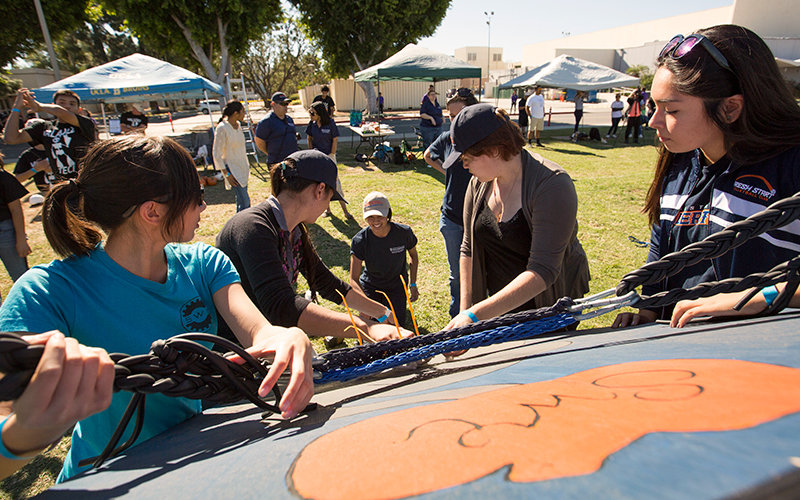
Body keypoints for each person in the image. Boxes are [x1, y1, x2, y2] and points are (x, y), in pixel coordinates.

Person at [0, 135, 313, 482]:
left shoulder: (205, 265)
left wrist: (288, 336)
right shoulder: (47, 291)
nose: (204, 208)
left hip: (197, 466)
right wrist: (26, 433)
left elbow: (259, 332)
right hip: (102, 478)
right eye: (197, 197)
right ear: (152, 211)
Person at [611, 25, 800, 329]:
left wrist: (755, 297)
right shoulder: (680, 161)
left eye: (671, 110)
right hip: (682, 352)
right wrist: (647, 307)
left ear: (730, 108)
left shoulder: (790, 165)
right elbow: (662, 248)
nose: (653, 121)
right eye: (653, 106)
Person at [216, 149, 411, 346]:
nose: (327, 205)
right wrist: (367, 329)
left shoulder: (293, 229)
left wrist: (383, 313)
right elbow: (282, 307)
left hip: (263, 342)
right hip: (232, 349)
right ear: (319, 190)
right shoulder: (253, 228)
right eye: (329, 198)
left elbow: (326, 283)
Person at [443, 104, 590, 332]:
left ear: (493, 150)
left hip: (547, 313)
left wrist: (475, 315)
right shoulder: (478, 183)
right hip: (498, 312)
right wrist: (465, 311)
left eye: (467, 158)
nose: (464, 166)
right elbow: (467, 248)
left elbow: (543, 271)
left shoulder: (552, 185)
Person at [424, 87, 479, 318]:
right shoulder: (448, 138)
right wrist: (447, 174)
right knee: (457, 273)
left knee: (479, 271)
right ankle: (457, 316)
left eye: (460, 115)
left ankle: (479, 313)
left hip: (478, 219)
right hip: (452, 219)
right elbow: (428, 155)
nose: (455, 121)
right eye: (451, 117)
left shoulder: (482, 141)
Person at [349, 192, 419, 327]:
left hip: (397, 286)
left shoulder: (403, 233)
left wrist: (413, 284)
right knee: (371, 326)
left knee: (396, 327)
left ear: (388, 214)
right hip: (371, 287)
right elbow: (353, 279)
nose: (375, 221)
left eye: (379, 216)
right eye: (370, 217)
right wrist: (364, 305)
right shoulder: (360, 240)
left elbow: (413, 256)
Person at [3, 89, 95, 180]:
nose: (67, 106)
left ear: (79, 110)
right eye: (62, 102)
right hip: (62, 184)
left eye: (72, 104)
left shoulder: (85, 123)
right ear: (52, 105)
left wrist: (39, 106)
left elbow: (60, 112)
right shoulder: (43, 127)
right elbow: (11, 138)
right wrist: (16, 108)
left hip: (87, 181)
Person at [306, 101, 352, 219]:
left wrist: (331, 154)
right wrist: (312, 152)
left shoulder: (330, 123)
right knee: (321, 184)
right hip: (317, 156)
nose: (311, 115)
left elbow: (334, 139)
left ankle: (345, 211)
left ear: (320, 113)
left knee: (335, 183)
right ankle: (327, 210)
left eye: (313, 113)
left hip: (329, 156)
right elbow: (309, 138)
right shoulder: (312, 124)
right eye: (310, 113)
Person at [0, 152, 31, 289]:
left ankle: (32, 308)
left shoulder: (3, 177)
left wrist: (21, 240)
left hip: (6, 233)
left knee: (21, 278)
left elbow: (16, 210)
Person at [213, 100, 251, 212]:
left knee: (241, 202)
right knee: (245, 202)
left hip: (242, 167)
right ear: (235, 113)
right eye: (243, 112)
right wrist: (227, 174)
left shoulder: (238, 126)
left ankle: (237, 226)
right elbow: (216, 154)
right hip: (232, 170)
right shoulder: (222, 128)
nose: (244, 114)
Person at [254, 91, 299, 165]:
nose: (285, 106)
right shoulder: (266, 122)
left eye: (286, 104)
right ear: (273, 104)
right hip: (277, 162)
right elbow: (259, 141)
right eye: (282, 104)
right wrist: (271, 153)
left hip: (292, 160)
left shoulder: (289, 119)